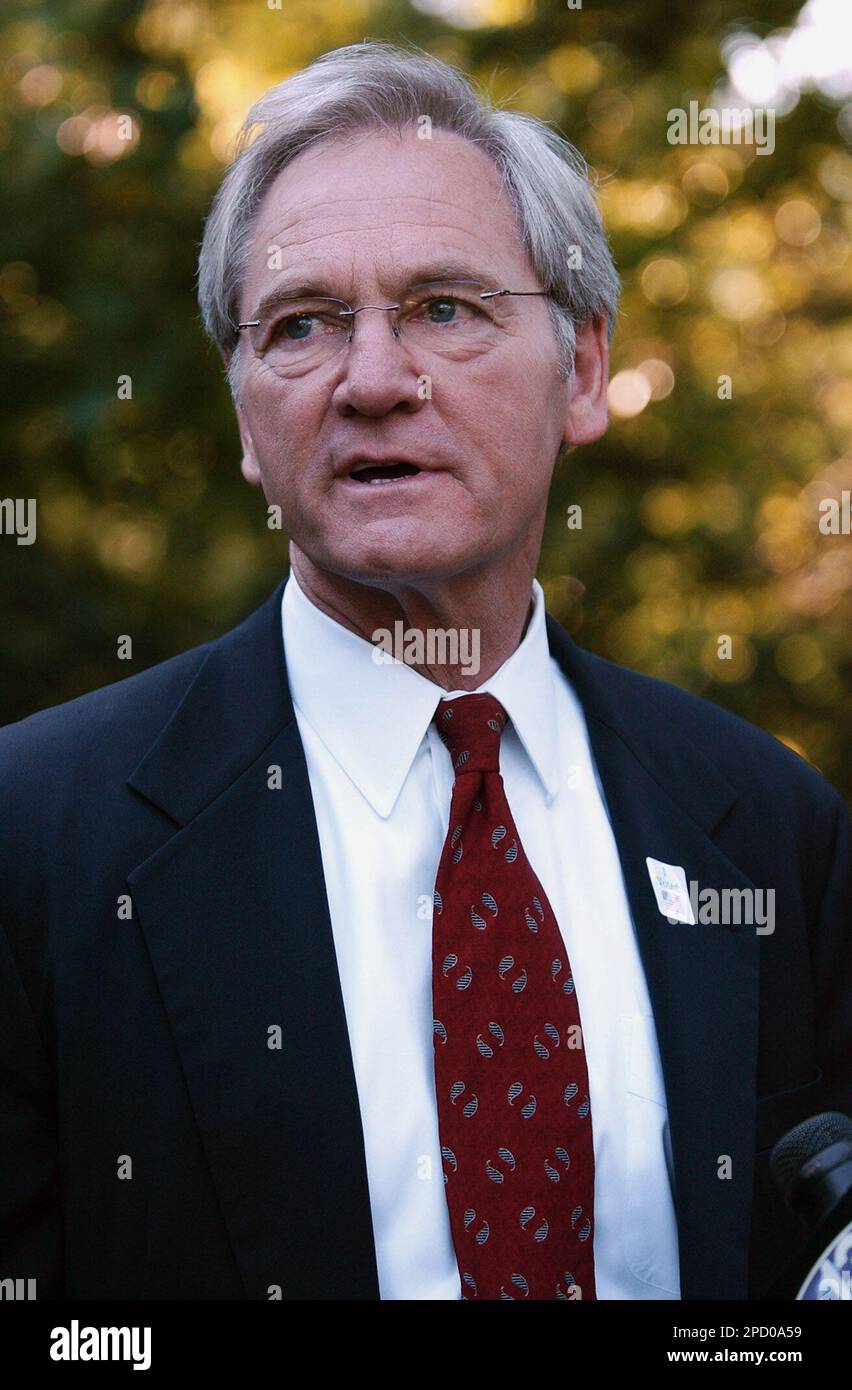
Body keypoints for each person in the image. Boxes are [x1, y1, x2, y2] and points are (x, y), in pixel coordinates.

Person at [1, 41, 849, 1302]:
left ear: (582, 368)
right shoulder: (36, 835)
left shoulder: (771, 827)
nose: (376, 381)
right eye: (303, 326)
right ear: (245, 419)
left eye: (446, 307)